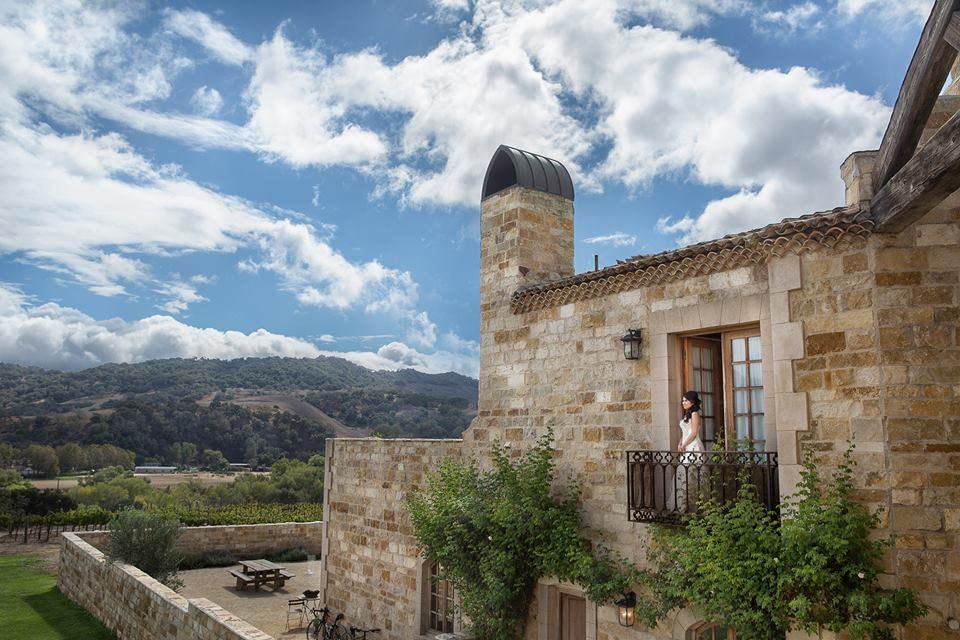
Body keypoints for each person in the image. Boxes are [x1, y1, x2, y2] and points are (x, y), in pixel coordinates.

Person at [676, 390, 705, 512]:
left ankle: (695, 506)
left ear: (692, 402)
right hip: (687, 446)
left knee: (693, 476)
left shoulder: (695, 414)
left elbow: (693, 433)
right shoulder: (687, 414)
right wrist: (680, 442)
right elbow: (686, 432)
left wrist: (684, 444)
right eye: (682, 400)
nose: (683, 402)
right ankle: (684, 505)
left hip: (694, 447)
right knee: (684, 475)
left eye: (685, 400)